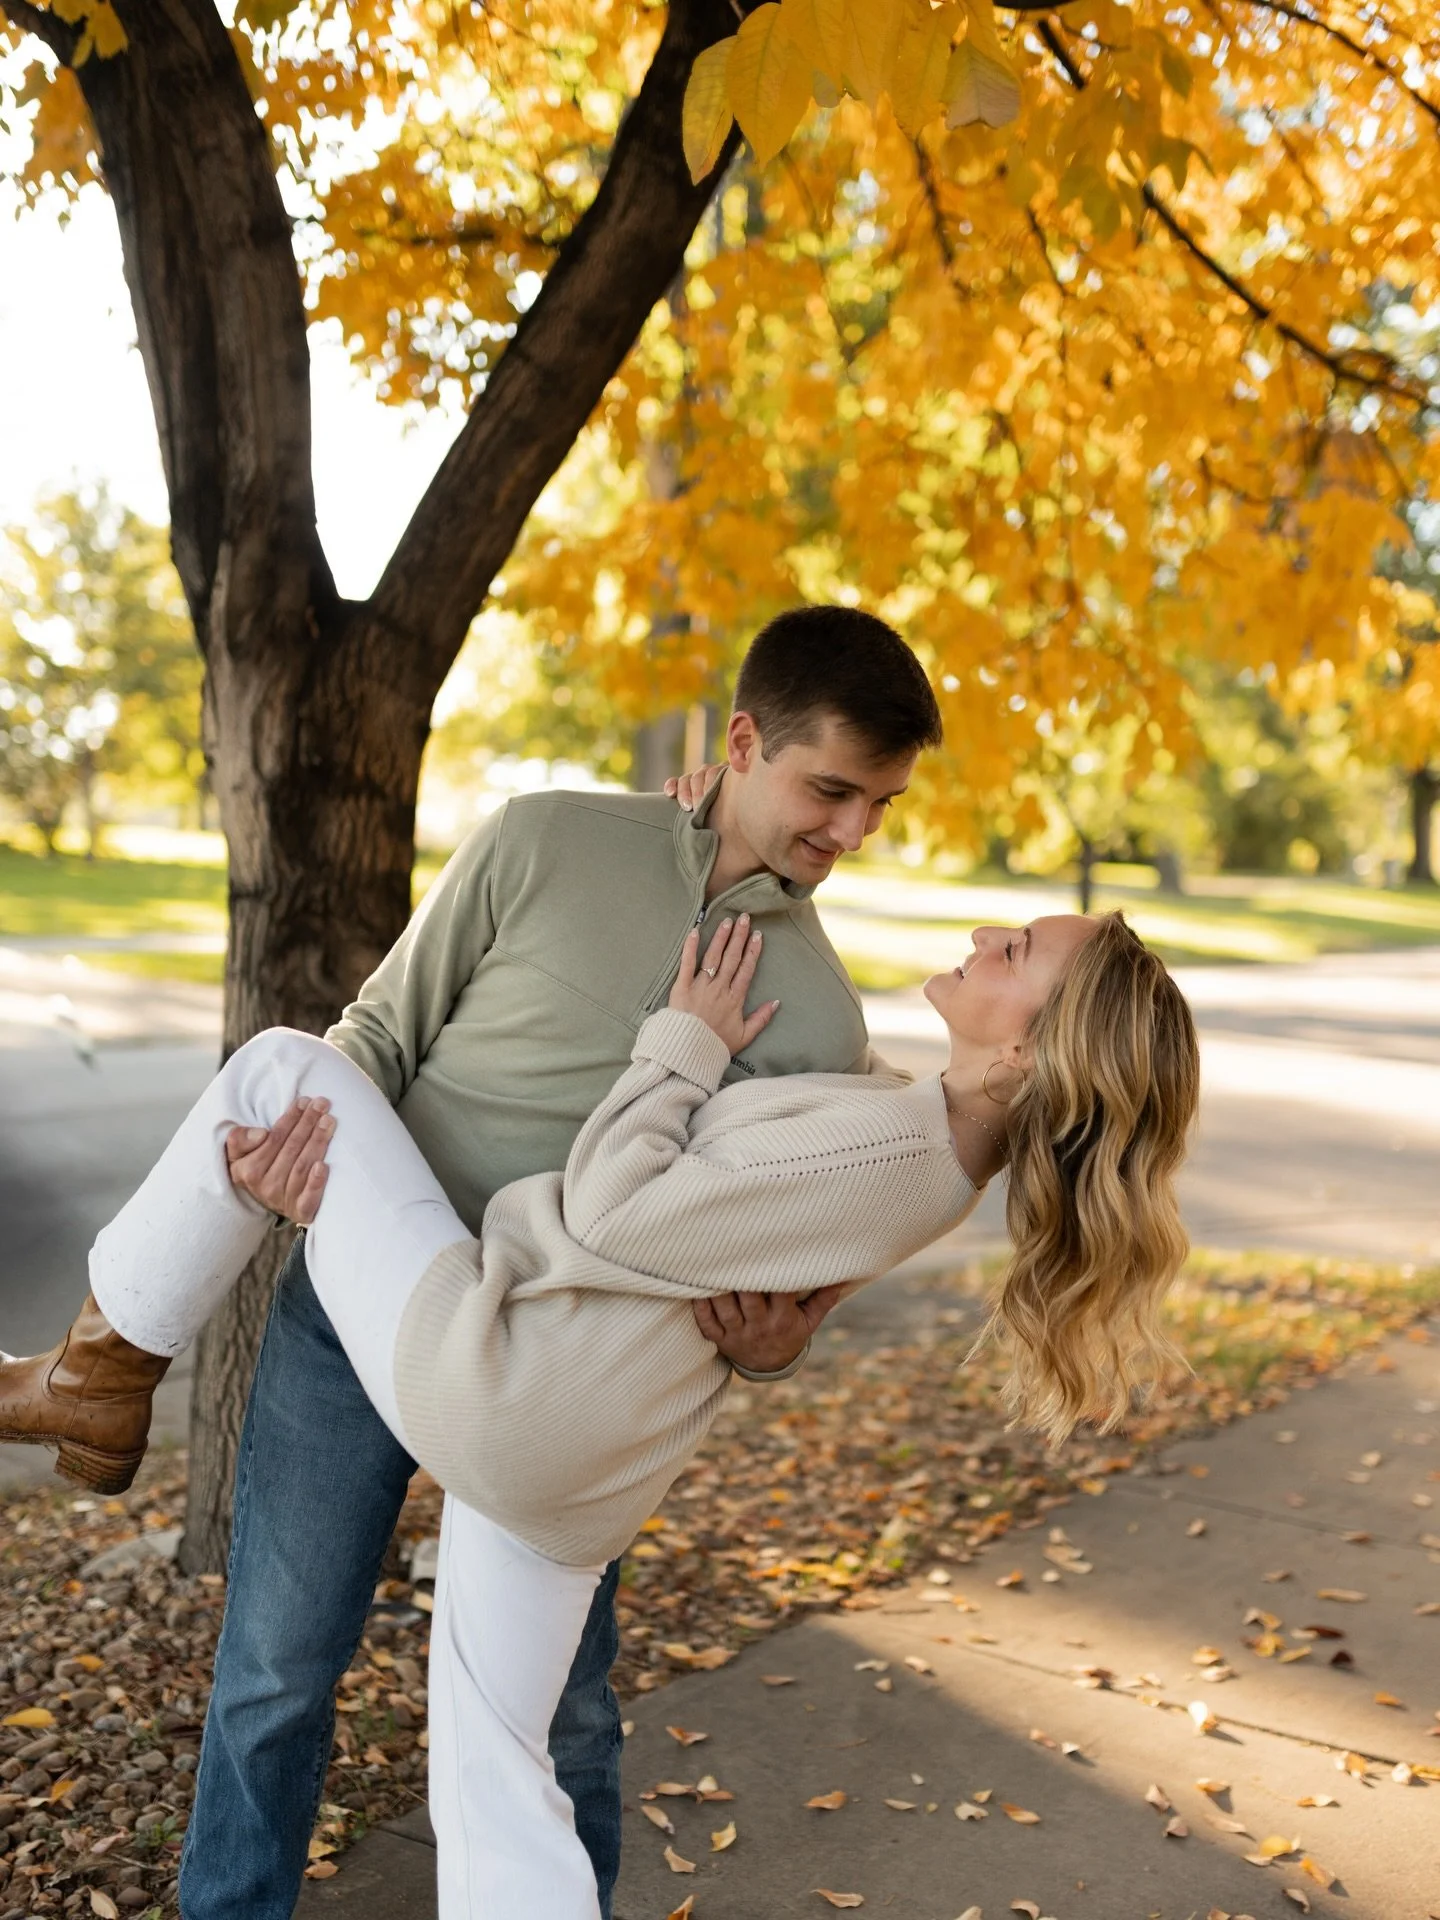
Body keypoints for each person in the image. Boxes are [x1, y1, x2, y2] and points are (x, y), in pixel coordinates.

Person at [0, 606, 945, 1920]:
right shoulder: (548, 838)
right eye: (830, 789)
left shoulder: (821, 1015)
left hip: (556, 1377)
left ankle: (94, 1372)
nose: (851, 833)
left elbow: (784, 1237)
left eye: (881, 805)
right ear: (742, 741)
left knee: (557, 1723)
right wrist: (276, 1178)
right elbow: (377, 1039)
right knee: (274, 1675)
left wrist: (783, 1340)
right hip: (362, 1315)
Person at [0, 903, 1199, 1918]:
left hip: (500, 1371)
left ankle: (97, 1379)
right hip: (575, 1472)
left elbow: (619, 1212)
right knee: (495, 1774)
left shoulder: (895, 1154)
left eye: (1019, 952)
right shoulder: (924, 1134)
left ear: (1032, 1056)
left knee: (281, 1070)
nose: (991, 933)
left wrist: (680, 1044)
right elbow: (765, 1216)